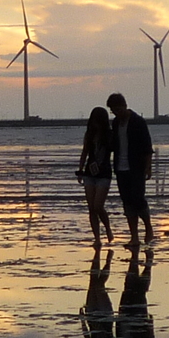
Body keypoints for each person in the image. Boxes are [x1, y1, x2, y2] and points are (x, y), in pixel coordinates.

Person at [106, 92, 154, 249]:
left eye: (118, 109)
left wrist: (148, 167)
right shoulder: (115, 123)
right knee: (127, 202)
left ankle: (148, 227)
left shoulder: (138, 122)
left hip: (136, 167)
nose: (116, 113)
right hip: (120, 168)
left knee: (138, 199)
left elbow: (147, 146)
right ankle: (134, 237)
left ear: (124, 106)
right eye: (113, 111)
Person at [77, 106, 114, 247]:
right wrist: (80, 170)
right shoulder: (89, 134)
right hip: (90, 173)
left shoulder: (109, 135)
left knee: (98, 205)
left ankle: (108, 228)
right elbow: (85, 152)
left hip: (104, 173)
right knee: (91, 207)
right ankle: (97, 238)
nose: (95, 124)